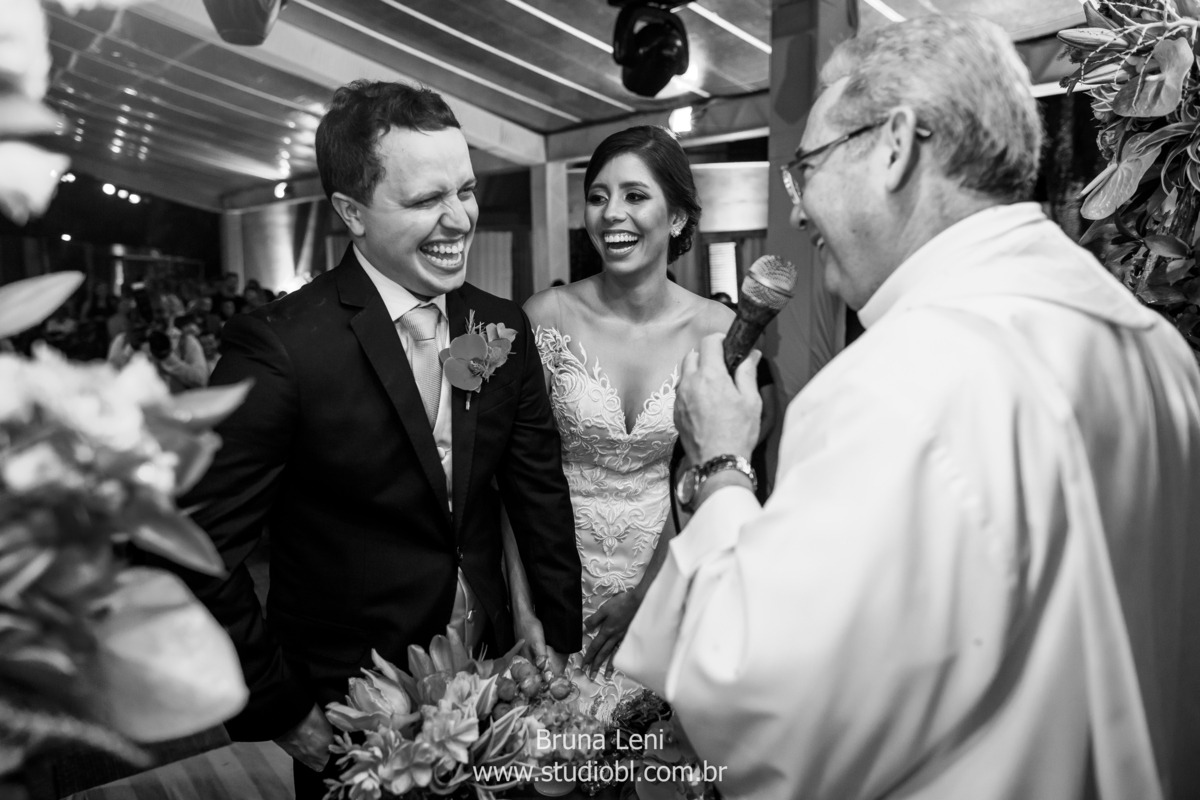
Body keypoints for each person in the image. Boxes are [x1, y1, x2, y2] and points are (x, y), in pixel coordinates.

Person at [615, 14, 1200, 800]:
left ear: (893, 147)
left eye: (808, 167)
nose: (796, 211)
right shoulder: (1159, 351)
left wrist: (722, 466)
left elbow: (774, 715)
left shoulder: (899, 380)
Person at [174, 80, 580, 800]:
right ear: (350, 213)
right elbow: (195, 550)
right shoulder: (282, 349)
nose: (461, 218)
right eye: (428, 200)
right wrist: (283, 707)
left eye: (466, 189)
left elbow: (533, 490)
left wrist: (553, 633)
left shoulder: (496, 327)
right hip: (356, 709)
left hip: (498, 682)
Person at [508, 126, 733, 718]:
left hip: (666, 582)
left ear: (679, 217)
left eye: (635, 195)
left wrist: (646, 594)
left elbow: (713, 479)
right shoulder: (544, 316)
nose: (613, 213)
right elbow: (509, 476)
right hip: (554, 581)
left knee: (648, 763)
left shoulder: (716, 333)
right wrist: (524, 606)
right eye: (599, 196)